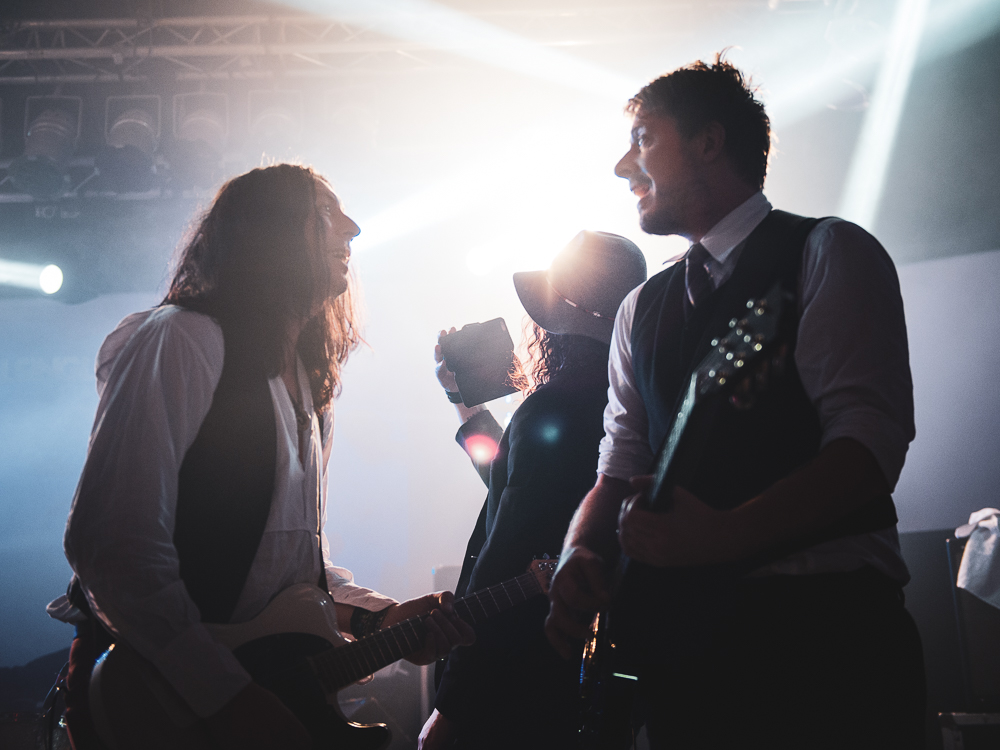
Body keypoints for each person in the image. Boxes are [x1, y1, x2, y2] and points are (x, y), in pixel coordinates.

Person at [544, 56, 926, 748]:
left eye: (643, 139)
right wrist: (578, 551)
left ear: (709, 142)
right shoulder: (640, 306)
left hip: (827, 643)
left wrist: (722, 536)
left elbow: (869, 448)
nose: (623, 167)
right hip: (684, 659)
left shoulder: (826, 250)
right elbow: (618, 466)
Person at [48, 164, 475, 750]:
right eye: (326, 213)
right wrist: (228, 696)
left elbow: (286, 571)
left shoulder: (308, 382)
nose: (352, 228)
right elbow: (113, 544)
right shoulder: (183, 339)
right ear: (272, 233)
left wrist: (377, 619)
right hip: (152, 707)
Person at [418, 232, 647, 750]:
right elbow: (516, 489)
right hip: (583, 671)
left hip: (517, 680)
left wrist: (451, 707)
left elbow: (505, 557)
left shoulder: (554, 407)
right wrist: (465, 404)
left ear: (559, 321)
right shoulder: (625, 402)